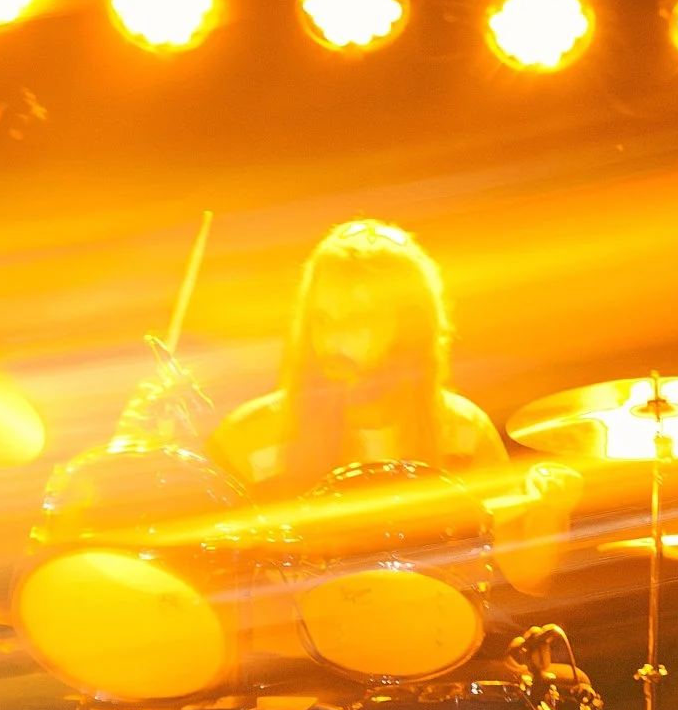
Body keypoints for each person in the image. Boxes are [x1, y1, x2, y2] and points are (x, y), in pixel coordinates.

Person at [209, 218, 581, 595]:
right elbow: (211, 590)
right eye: (321, 320)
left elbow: (522, 575)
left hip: (431, 643)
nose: (332, 338)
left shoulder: (463, 432)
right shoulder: (248, 438)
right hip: (292, 651)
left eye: (357, 319)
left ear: (409, 328)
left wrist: (549, 511)